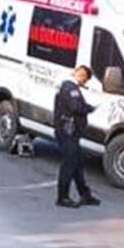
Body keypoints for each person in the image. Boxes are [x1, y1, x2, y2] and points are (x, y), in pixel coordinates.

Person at [54, 65, 100, 208]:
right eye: (85, 80)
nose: (84, 83)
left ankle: (84, 194)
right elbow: (76, 107)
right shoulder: (70, 87)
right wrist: (89, 109)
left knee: (78, 163)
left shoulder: (67, 86)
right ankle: (62, 197)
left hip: (69, 131)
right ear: (81, 75)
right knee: (69, 164)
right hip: (68, 131)